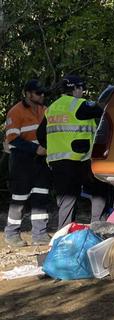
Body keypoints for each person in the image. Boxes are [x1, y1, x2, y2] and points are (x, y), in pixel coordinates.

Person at [37, 75, 108, 229]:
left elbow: (40, 135)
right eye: (82, 88)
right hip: (80, 160)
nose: (83, 92)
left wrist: (56, 147)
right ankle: (98, 228)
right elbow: (105, 112)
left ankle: (62, 237)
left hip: (58, 162)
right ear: (76, 88)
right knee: (100, 189)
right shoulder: (80, 105)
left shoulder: (52, 108)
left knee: (66, 201)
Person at [3, 79, 51, 247]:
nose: (42, 95)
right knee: (19, 198)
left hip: (40, 161)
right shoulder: (15, 112)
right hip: (22, 160)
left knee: (41, 195)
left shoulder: (44, 110)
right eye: (39, 93)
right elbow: (12, 139)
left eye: (43, 92)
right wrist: (35, 149)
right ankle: (11, 233)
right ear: (28, 94)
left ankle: (40, 234)